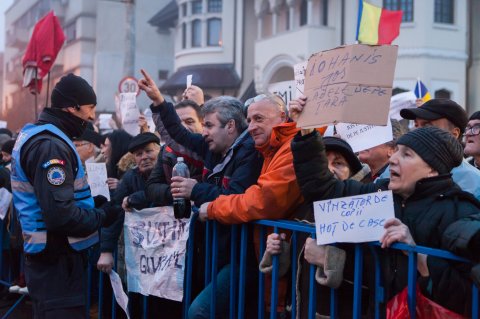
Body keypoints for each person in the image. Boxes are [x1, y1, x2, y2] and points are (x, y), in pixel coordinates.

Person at [287, 98, 480, 317]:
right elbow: (322, 189)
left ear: (432, 170)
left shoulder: (459, 211)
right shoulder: (381, 196)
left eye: (407, 154)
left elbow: (467, 296)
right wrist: (307, 131)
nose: (394, 160)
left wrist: (417, 254)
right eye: (396, 151)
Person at [139, 69, 263, 319]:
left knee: (199, 311)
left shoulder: (249, 153)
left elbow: (235, 196)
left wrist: (194, 189)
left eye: (208, 125)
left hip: (241, 255)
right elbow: (179, 135)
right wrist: (159, 101)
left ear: (230, 126)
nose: (203, 132)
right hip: (217, 249)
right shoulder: (212, 147)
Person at [10, 73, 120, 318]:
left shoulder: (42, 136)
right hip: (57, 261)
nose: (91, 116)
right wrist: (102, 216)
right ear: (72, 106)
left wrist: (93, 206)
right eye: (89, 108)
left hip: (53, 260)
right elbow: (61, 216)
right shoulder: (50, 145)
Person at [261, 136, 367, 318]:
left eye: (339, 163)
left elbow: (372, 273)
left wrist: (328, 259)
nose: (329, 169)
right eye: (322, 162)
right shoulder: (303, 207)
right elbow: (293, 268)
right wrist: (279, 250)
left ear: (352, 172)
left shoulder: (362, 211)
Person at [400, 98, 480, 199]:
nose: (417, 132)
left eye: (427, 125)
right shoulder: (396, 169)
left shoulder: (475, 183)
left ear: (454, 134)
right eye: (416, 125)